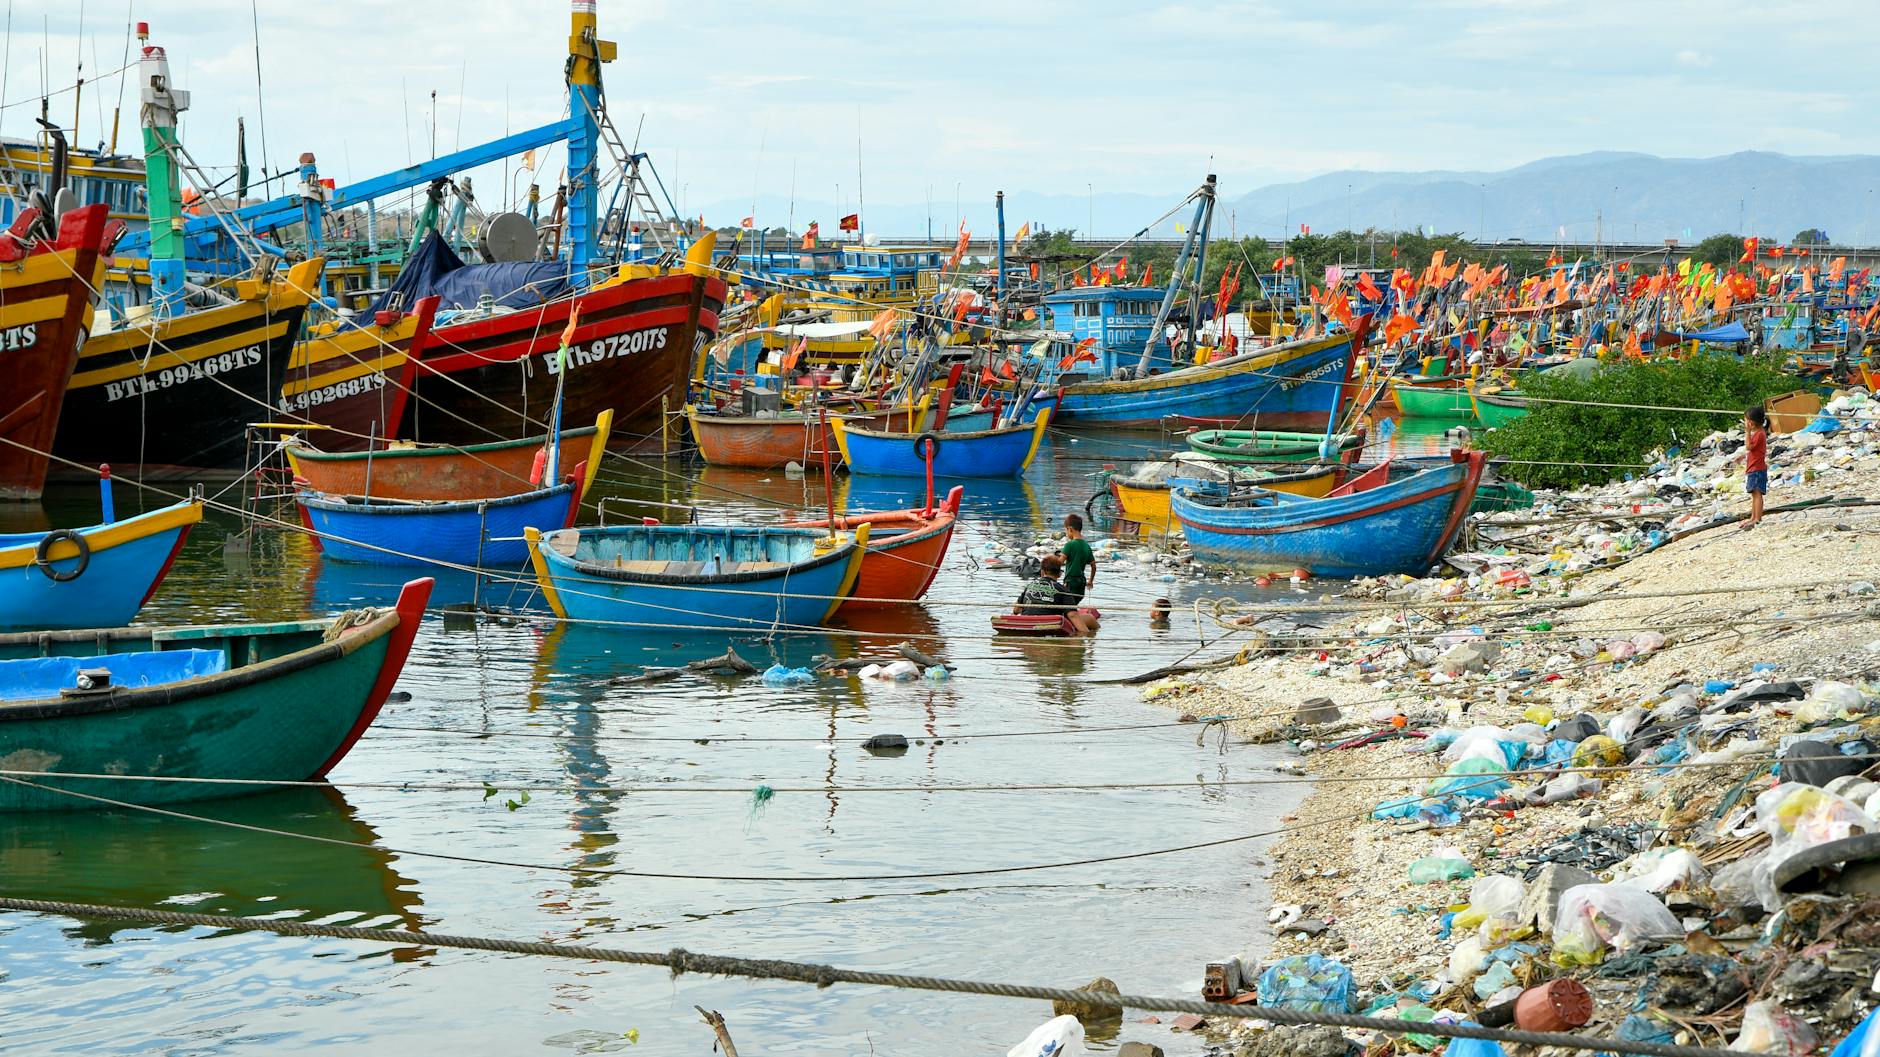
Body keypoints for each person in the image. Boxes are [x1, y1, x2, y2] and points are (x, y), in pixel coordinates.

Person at [1058, 513, 1096, 608]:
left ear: (1070, 529)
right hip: (1081, 583)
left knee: (1066, 607)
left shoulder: (1069, 545)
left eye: (1066, 530)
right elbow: (1094, 567)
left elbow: (1059, 563)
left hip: (1070, 582)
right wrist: (1090, 581)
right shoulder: (1087, 546)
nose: (1067, 533)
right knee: (1073, 605)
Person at [1741, 405, 1768, 530]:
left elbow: (1749, 446)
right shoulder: (1757, 433)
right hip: (1753, 468)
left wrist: (1747, 432)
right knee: (1754, 493)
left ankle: (1757, 518)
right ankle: (1753, 517)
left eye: (1746, 420)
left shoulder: (1759, 434)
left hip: (1757, 469)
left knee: (1757, 494)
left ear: (1751, 422)